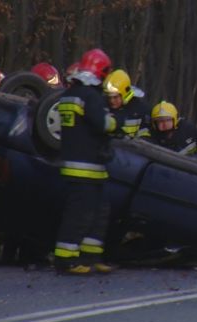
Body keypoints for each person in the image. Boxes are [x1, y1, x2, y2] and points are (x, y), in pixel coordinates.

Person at [54, 48, 123, 275]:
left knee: (98, 211)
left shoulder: (69, 94)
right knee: (81, 214)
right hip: (87, 166)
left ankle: (90, 256)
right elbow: (103, 125)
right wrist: (115, 122)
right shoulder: (91, 97)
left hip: (79, 165)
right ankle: (67, 260)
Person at [102, 69, 151, 138]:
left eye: (115, 97)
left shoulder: (140, 110)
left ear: (125, 94)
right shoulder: (101, 104)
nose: (111, 101)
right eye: (109, 97)